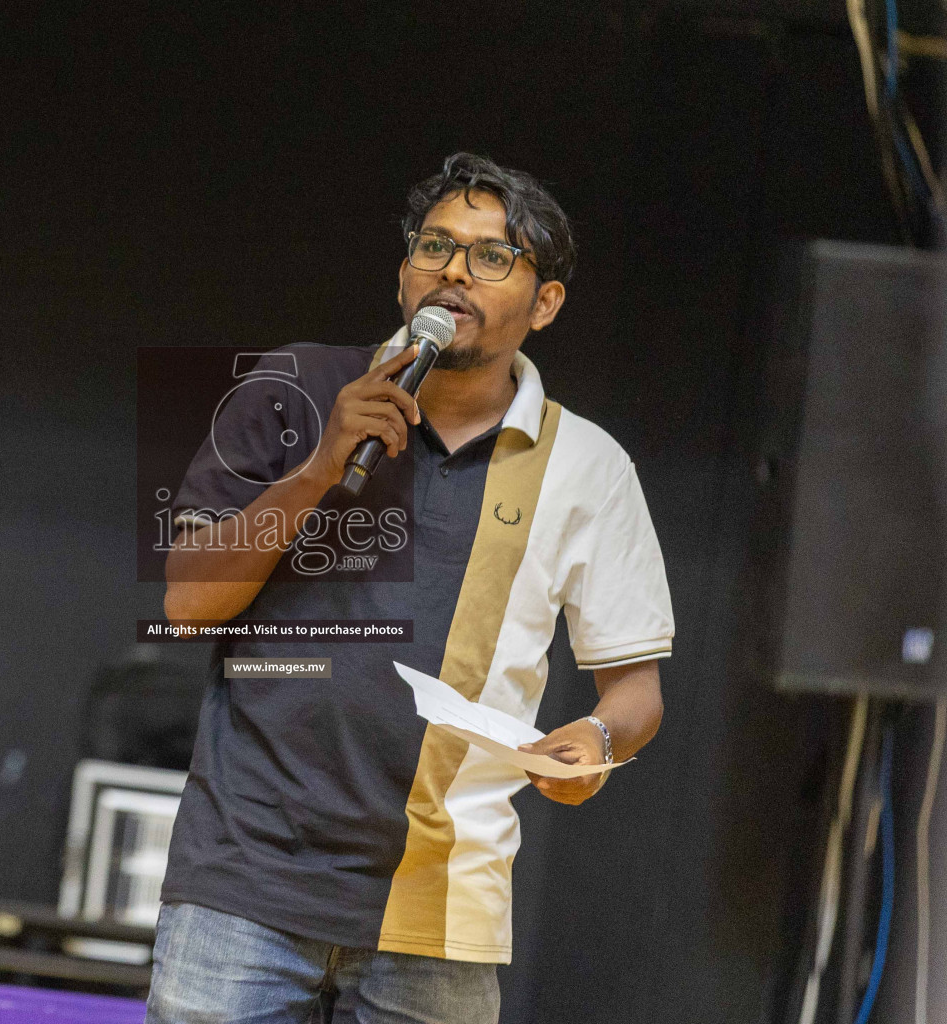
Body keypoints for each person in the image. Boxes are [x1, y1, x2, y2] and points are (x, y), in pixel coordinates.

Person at [151, 152, 673, 1023]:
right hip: (244, 885)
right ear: (403, 278)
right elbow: (185, 603)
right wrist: (320, 467)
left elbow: (637, 691)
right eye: (436, 246)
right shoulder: (295, 388)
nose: (456, 269)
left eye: (492, 256)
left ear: (545, 304)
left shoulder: (589, 465)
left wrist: (598, 741)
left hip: (443, 908)